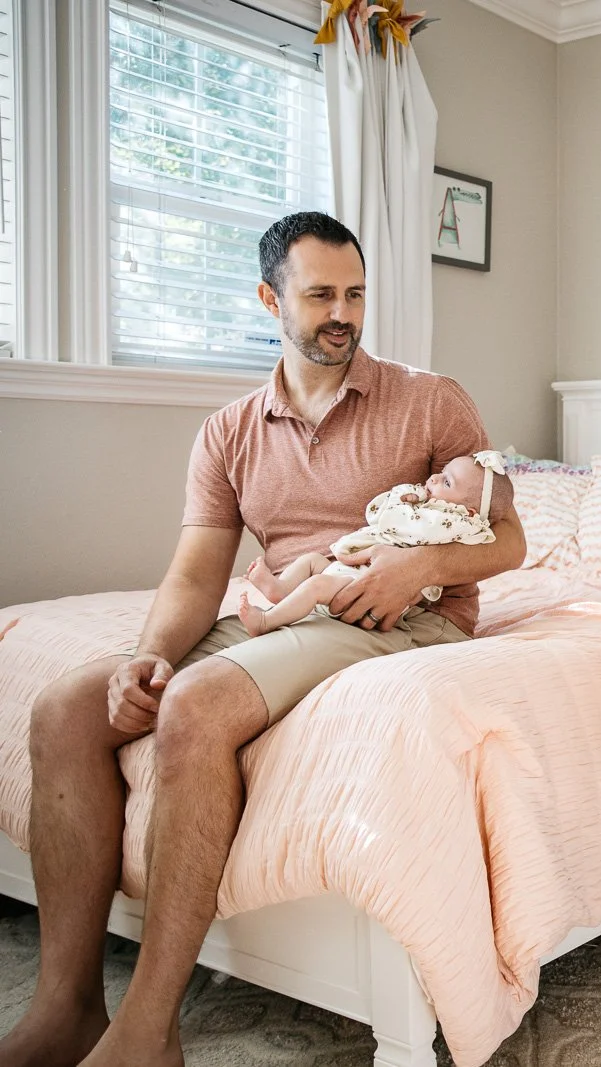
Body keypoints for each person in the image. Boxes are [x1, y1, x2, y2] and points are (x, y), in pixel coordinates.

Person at [1, 211, 526, 1067]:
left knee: (200, 706)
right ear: (268, 299)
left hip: (399, 616)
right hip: (291, 611)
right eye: (320, 294)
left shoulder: (431, 400)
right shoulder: (232, 430)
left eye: (355, 293)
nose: (342, 313)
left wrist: (415, 563)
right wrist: (151, 653)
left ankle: (148, 1028)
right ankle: (66, 1005)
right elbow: (195, 576)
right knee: (67, 705)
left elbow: (509, 539)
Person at [240, 450, 513, 635]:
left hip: (376, 588)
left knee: (317, 585)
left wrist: (406, 497)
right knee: (311, 561)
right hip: (357, 570)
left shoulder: (450, 524)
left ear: (469, 512)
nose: (433, 479)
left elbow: (387, 519)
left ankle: (266, 621)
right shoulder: (436, 510)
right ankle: (281, 590)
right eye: (441, 472)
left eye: (447, 482)